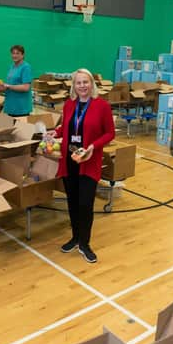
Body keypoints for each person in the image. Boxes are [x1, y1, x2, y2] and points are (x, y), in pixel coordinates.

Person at [51, 69, 115, 263]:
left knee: (85, 204)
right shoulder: (69, 104)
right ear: (74, 85)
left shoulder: (101, 106)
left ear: (91, 84)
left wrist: (93, 146)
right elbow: (68, 126)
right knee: (72, 201)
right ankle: (75, 237)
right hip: (70, 160)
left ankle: (85, 243)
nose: (82, 86)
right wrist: (56, 132)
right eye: (78, 83)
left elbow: (110, 133)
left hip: (89, 161)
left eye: (85, 82)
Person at [0, 44, 33, 117]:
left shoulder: (26, 67)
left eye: (17, 53)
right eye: (13, 53)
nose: (15, 55)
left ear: (23, 55)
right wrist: (2, 88)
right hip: (10, 106)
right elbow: (11, 84)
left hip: (21, 107)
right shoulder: (11, 67)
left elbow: (26, 87)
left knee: (21, 128)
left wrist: (8, 86)